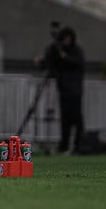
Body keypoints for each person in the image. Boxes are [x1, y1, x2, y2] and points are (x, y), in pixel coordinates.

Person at [40, 26, 85, 154]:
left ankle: (78, 145)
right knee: (65, 120)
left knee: (77, 119)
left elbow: (77, 63)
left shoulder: (76, 51)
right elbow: (51, 61)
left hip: (75, 90)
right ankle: (64, 145)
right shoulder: (58, 52)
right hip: (63, 89)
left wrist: (65, 57)